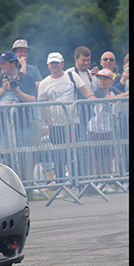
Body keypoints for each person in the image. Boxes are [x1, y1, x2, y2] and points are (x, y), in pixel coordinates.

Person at [37, 52, 96, 181]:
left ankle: (77, 182)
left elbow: (84, 90)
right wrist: (47, 120)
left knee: (77, 153)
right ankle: (61, 184)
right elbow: (42, 105)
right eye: (52, 63)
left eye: (57, 63)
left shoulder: (72, 76)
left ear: (62, 63)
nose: (54, 66)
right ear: (48, 65)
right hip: (56, 125)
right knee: (59, 155)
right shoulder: (44, 83)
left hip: (74, 122)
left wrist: (91, 96)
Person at [87, 69, 127, 180]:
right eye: (100, 78)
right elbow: (112, 99)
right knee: (96, 155)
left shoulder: (113, 89)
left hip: (108, 128)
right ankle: (99, 179)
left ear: (111, 80)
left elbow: (121, 96)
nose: (102, 81)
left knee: (109, 155)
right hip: (95, 128)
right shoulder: (98, 91)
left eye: (105, 78)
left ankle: (106, 179)